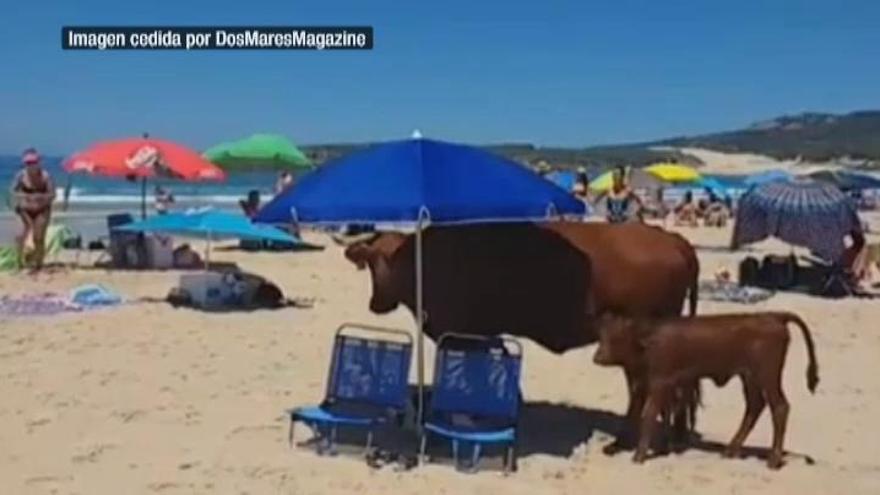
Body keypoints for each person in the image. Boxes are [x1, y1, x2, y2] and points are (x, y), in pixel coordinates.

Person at [10, 148, 55, 271]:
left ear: (38, 162)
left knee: (38, 237)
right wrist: (24, 196)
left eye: (33, 162)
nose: (31, 166)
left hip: (41, 209)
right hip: (24, 209)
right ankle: (18, 263)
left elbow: (52, 194)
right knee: (19, 235)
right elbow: (12, 191)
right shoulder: (20, 175)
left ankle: (38, 264)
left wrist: (40, 197)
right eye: (28, 163)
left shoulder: (45, 176)